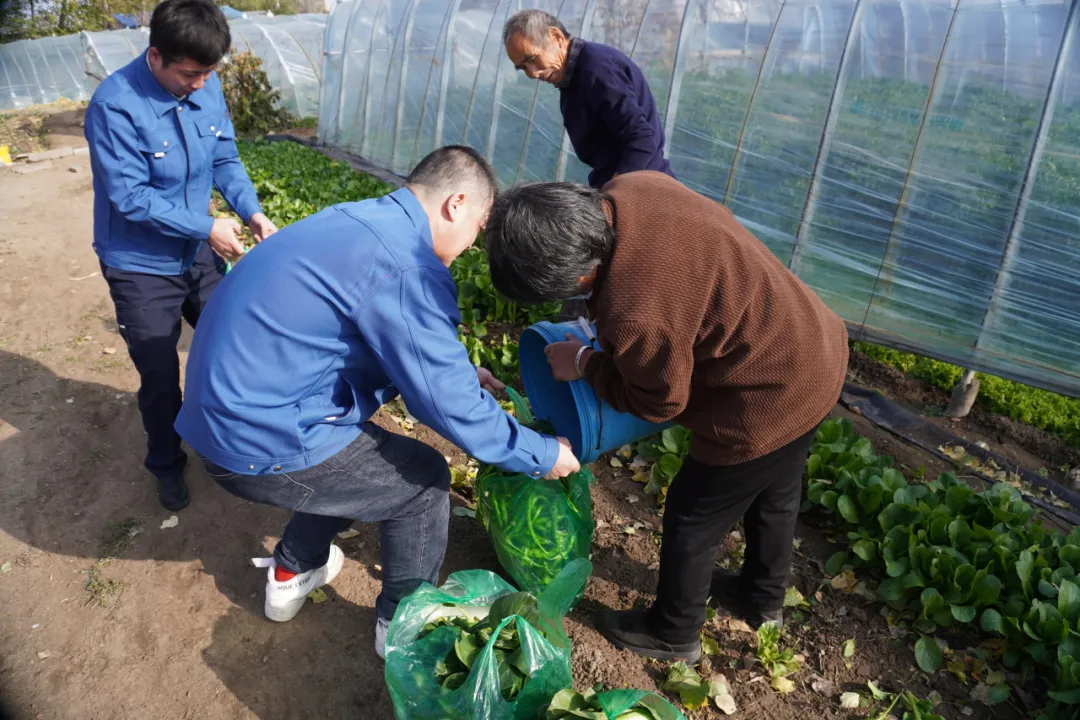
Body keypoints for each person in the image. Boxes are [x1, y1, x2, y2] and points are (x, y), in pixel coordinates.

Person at [174, 146, 581, 658]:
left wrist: (458, 372)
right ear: (456, 204)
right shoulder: (406, 264)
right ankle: (402, 631)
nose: (475, 241)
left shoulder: (363, 222)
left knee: (352, 462)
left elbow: (371, 337)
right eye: (479, 226)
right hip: (257, 440)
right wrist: (543, 455)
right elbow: (447, 408)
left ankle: (291, 571)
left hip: (229, 415)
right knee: (424, 482)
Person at [484, 172, 849, 663]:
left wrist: (586, 362)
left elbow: (660, 401)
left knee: (693, 514)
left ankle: (674, 631)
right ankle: (763, 598)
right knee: (776, 489)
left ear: (578, 276)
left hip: (768, 391)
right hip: (815, 348)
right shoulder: (632, 189)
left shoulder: (636, 310)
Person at [85, 0, 276, 511]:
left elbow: (225, 158)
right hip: (139, 261)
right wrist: (208, 225)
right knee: (160, 374)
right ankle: (167, 463)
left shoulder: (205, 86)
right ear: (155, 57)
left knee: (232, 342)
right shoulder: (115, 105)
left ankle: (232, 437)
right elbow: (130, 198)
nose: (200, 85)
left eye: (209, 73)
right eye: (189, 74)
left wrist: (251, 213)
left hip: (195, 249)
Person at [502, 9, 674, 190]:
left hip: (645, 186)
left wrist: (614, 193)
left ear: (556, 37)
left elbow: (642, 138)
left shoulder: (596, 70)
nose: (533, 73)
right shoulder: (572, 79)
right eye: (523, 68)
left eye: (533, 59)